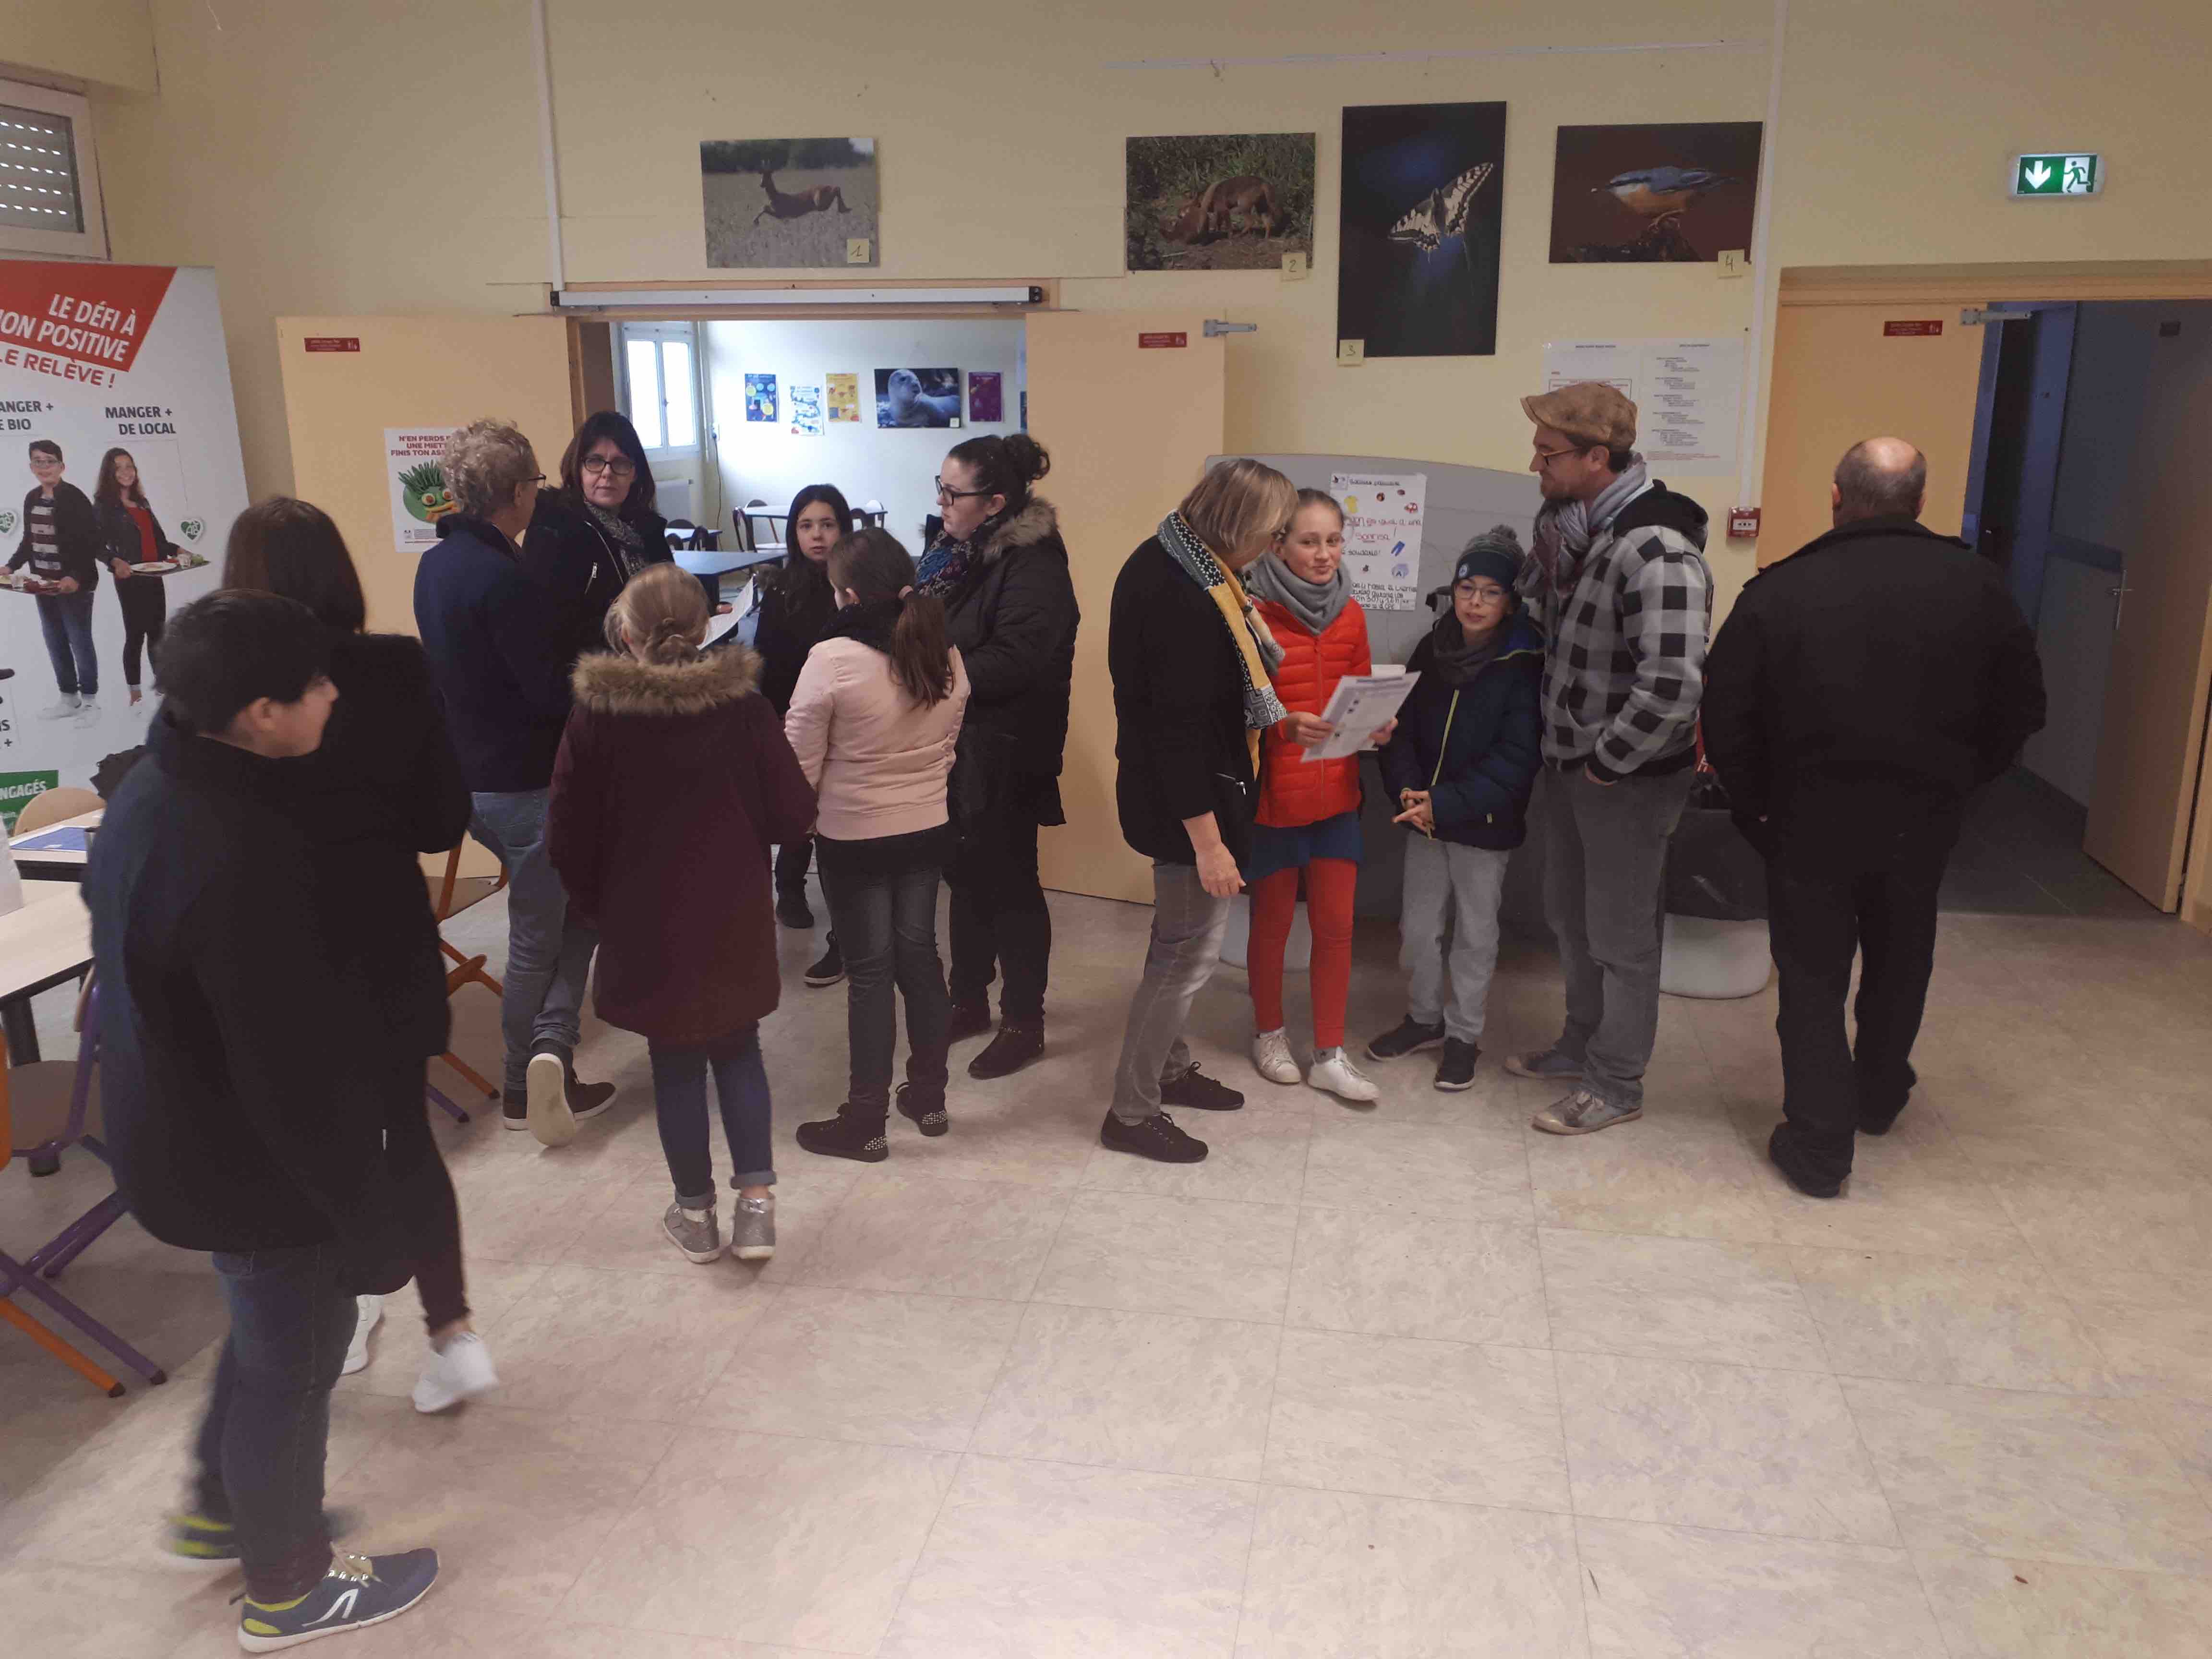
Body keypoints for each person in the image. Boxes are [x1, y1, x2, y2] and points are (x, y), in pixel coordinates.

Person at [84, 590, 438, 1649]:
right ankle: (288, 1585)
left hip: (179, 1129)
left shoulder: (155, 788)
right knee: (296, 1360)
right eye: (315, 684)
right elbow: (291, 1076)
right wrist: (366, 1219)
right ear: (260, 713)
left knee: (267, 1336)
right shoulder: (236, 854)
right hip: (249, 1163)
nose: (333, 694)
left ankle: (220, 1509)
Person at [1704, 437, 2046, 1197]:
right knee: (1902, 957)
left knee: (1812, 976)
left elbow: (1726, 716)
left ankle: (1819, 1146)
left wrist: (1757, 808)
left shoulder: (1780, 590)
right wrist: (1962, 785)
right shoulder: (1980, 587)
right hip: (1922, 816)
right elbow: (2023, 709)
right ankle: (1880, 1094)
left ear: (1836, 497)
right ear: (1920, 502)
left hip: (1806, 817)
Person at [222, 497, 497, 1415]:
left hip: (276, 948)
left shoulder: (230, 689)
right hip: (385, 934)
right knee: (405, 1133)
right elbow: (441, 818)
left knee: (304, 1144)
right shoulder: (394, 668)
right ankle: (452, 1332)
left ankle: (342, 1314)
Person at [549, 564, 816, 1261]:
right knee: (739, 1048)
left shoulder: (597, 716)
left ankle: (695, 1216)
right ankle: (756, 1211)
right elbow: (794, 813)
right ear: (707, 627)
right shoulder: (744, 709)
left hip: (642, 919)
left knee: (673, 1063)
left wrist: (596, 904)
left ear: (625, 633)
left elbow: (566, 834)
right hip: (732, 912)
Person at [1508, 382, 1712, 1136]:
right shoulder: (1575, 534)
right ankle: (1580, 1044)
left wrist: (1607, 763)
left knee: (1622, 939)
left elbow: (1674, 687)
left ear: (1598, 458)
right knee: (1569, 917)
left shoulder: (1656, 550)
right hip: (1571, 766)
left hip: (1624, 779)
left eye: (1549, 452)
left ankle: (1617, 1083)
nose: (1536, 464)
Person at [413, 418, 615, 1146]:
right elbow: (545, 693)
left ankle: (550, 1053)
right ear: (513, 492)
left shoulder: (436, 565)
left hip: (474, 779)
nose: (538, 493)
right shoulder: (505, 578)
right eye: (534, 482)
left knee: (576, 913)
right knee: (536, 938)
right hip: (525, 782)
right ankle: (525, 1084)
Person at [1103, 459, 1297, 1163]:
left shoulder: (1181, 558)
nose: (1274, 547)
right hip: (1187, 804)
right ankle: (1131, 1112)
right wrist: (1210, 845)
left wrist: (1283, 722)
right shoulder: (1180, 595)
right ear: (1239, 525)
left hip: (1187, 788)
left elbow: (1208, 706)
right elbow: (1176, 735)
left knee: (1176, 943)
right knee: (1184, 960)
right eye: (1273, 533)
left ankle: (1170, 1067)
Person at [783, 528, 969, 1161]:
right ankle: (930, 1098)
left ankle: (865, 1121)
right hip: (926, 828)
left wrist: (800, 821)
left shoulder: (832, 657)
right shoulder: (943, 648)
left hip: (854, 836)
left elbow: (799, 760)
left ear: (849, 594)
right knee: (921, 958)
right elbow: (949, 742)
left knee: (870, 973)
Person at [920, 433, 1078, 1080]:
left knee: (1011, 883)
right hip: (961, 745)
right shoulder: (956, 553)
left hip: (1009, 749)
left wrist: (930, 674)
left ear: (995, 504)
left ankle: (1023, 1022)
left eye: (953, 493)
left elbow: (1014, 661)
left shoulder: (1034, 564)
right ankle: (968, 1001)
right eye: (941, 487)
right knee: (964, 876)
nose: (941, 502)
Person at [1370, 529, 1545, 1090]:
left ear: (1510, 602)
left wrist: (1443, 802)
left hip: (1482, 825)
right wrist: (1408, 792)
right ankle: (1424, 1020)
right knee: (1418, 929)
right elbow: (1399, 731)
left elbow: (1516, 758)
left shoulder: (1525, 659)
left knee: (1475, 934)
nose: (1475, 602)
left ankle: (1464, 1037)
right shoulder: (1432, 646)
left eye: (1491, 592)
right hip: (1423, 819)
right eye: (1467, 589)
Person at [1239, 489, 1386, 1104]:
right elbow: (1234, 707)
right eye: (1309, 541)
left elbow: (1360, 690)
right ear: (1279, 545)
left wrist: (1376, 724)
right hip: (1276, 802)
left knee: (1336, 929)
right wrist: (1282, 726)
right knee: (1271, 927)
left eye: (1333, 541)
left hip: (1338, 797)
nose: (1324, 554)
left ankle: (1329, 1052)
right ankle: (1269, 1034)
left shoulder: (1351, 614)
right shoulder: (1252, 612)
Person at [755, 482, 853, 989]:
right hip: (794, 714)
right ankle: (789, 885)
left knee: (835, 811)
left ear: (844, 529)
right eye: (807, 526)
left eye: (828, 525)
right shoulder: (781, 588)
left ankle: (844, 912)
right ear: (794, 533)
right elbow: (767, 663)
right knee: (798, 804)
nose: (817, 536)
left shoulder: (856, 583)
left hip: (848, 717)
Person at [523, 410, 673, 668]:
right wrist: (631, 632)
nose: (607, 473)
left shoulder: (648, 529)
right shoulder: (552, 529)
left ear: (635, 473)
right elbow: (550, 626)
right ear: (578, 468)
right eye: (595, 461)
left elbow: (670, 593)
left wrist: (702, 610)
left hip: (654, 663)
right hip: (590, 674)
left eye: (621, 463)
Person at [8, 438, 103, 726]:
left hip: (75, 584)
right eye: (38, 461)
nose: (44, 466)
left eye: (50, 461)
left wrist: (75, 576)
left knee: (79, 641)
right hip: (43, 584)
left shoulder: (74, 497)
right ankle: (69, 698)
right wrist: (10, 566)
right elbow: (29, 541)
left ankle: (90, 702)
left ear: (62, 466)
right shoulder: (31, 498)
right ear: (31, 466)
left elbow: (90, 542)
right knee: (55, 640)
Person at [92, 446, 177, 709]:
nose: (126, 472)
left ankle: (162, 689)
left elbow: (159, 542)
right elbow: (96, 545)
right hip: (129, 578)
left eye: (129, 466)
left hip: (154, 575)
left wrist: (179, 551)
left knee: (158, 633)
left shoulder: (142, 503)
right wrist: (114, 562)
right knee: (136, 635)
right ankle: (135, 695)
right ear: (109, 473)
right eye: (119, 468)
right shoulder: (104, 505)